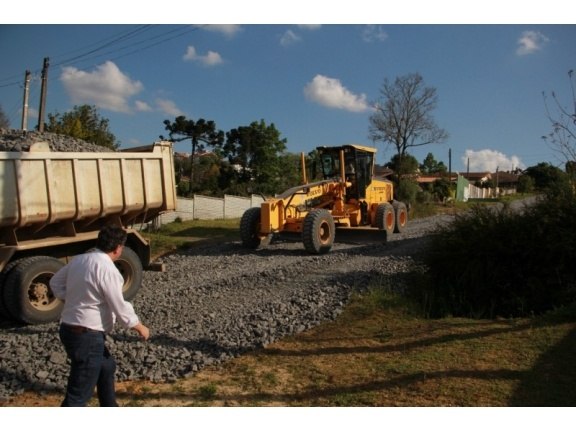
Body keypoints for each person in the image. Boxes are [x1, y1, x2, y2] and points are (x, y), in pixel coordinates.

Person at [50, 225, 150, 407]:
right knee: (78, 394)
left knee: (106, 366)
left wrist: (74, 298)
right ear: (118, 248)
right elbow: (119, 305)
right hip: (87, 335)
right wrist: (138, 326)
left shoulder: (78, 260)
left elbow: (54, 282)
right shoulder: (108, 269)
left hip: (69, 330)